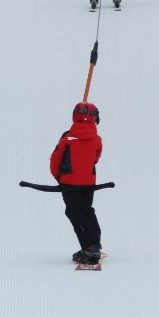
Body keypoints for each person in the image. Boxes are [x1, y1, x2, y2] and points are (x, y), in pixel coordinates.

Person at [50, 102, 103, 265]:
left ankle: (89, 249)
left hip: (69, 183)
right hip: (88, 182)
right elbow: (96, 157)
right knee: (86, 210)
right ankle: (95, 243)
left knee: (74, 213)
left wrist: (59, 178)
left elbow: (55, 160)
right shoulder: (97, 139)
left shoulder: (67, 138)